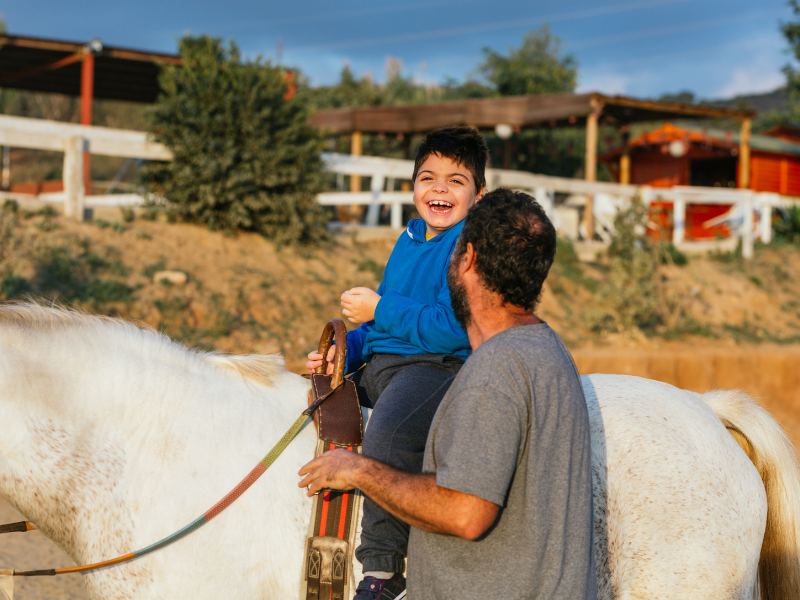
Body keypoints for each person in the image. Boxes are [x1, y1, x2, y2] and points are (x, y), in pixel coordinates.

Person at [299, 188, 596, 600]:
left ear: (466, 259)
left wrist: (358, 470)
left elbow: (467, 513)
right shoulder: (549, 351)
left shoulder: (494, 371)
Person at [304, 126, 488, 599]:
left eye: (455, 180)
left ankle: (383, 572)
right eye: (428, 178)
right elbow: (384, 326)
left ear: (478, 194)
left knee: (387, 430)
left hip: (436, 366)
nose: (440, 189)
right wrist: (348, 350)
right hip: (387, 361)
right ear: (413, 188)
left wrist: (379, 309)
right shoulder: (407, 240)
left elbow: (453, 326)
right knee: (317, 396)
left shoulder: (469, 250)